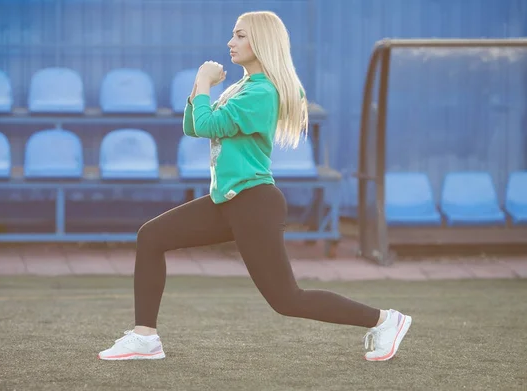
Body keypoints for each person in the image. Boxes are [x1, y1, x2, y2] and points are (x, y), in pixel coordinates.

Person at [98, 10, 411, 362]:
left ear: (261, 41)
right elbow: (192, 124)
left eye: (240, 35)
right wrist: (201, 88)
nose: (231, 42)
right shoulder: (242, 87)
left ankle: (385, 320)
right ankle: (145, 337)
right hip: (229, 200)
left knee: (287, 300)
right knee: (151, 237)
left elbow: (204, 125)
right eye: (233, 34)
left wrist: (202, 80)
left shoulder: (261, 92)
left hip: (254, 202)